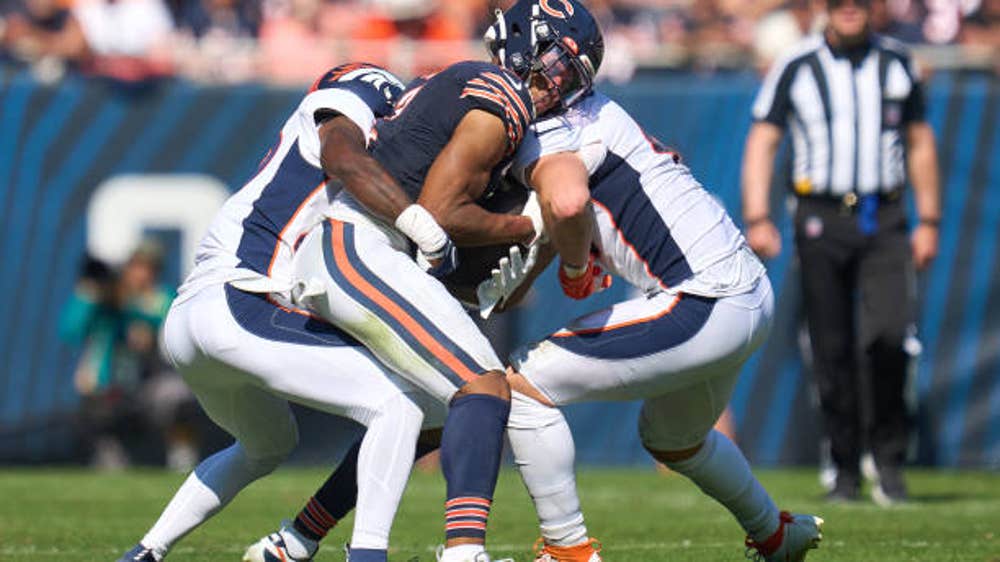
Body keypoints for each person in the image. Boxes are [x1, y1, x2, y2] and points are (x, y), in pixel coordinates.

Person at [115, 62, 453, 562]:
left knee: (268, 444)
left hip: (197, 320)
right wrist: (417, 222)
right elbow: (343, 154)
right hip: (240, 300)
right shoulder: (358, 105)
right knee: (400, 403)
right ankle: (367, 555)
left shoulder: (367, 155)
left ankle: (146, 552)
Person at [285, 53, 550, 562]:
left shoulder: (445, 92)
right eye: (554, 64)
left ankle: (297, 538)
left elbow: (461, 265)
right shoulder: (497, 94)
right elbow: (441, 212)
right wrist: (526, 226)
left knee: (428, 414)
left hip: (374, 251)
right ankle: (464, 552)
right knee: (484, 384)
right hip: (358, 242)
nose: (556, 82)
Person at [740, 0, 940, 504]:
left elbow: (919, 142)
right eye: (838, 2)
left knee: (891, 337)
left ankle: (889, 461)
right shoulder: (797, 64)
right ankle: (844, 468)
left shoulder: (898, 63)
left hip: (886, 216)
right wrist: (758, 216)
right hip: (819, 217)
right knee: (830, 348)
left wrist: (930, 220)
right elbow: (764, 138)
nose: (849, 9)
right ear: (821, 8)